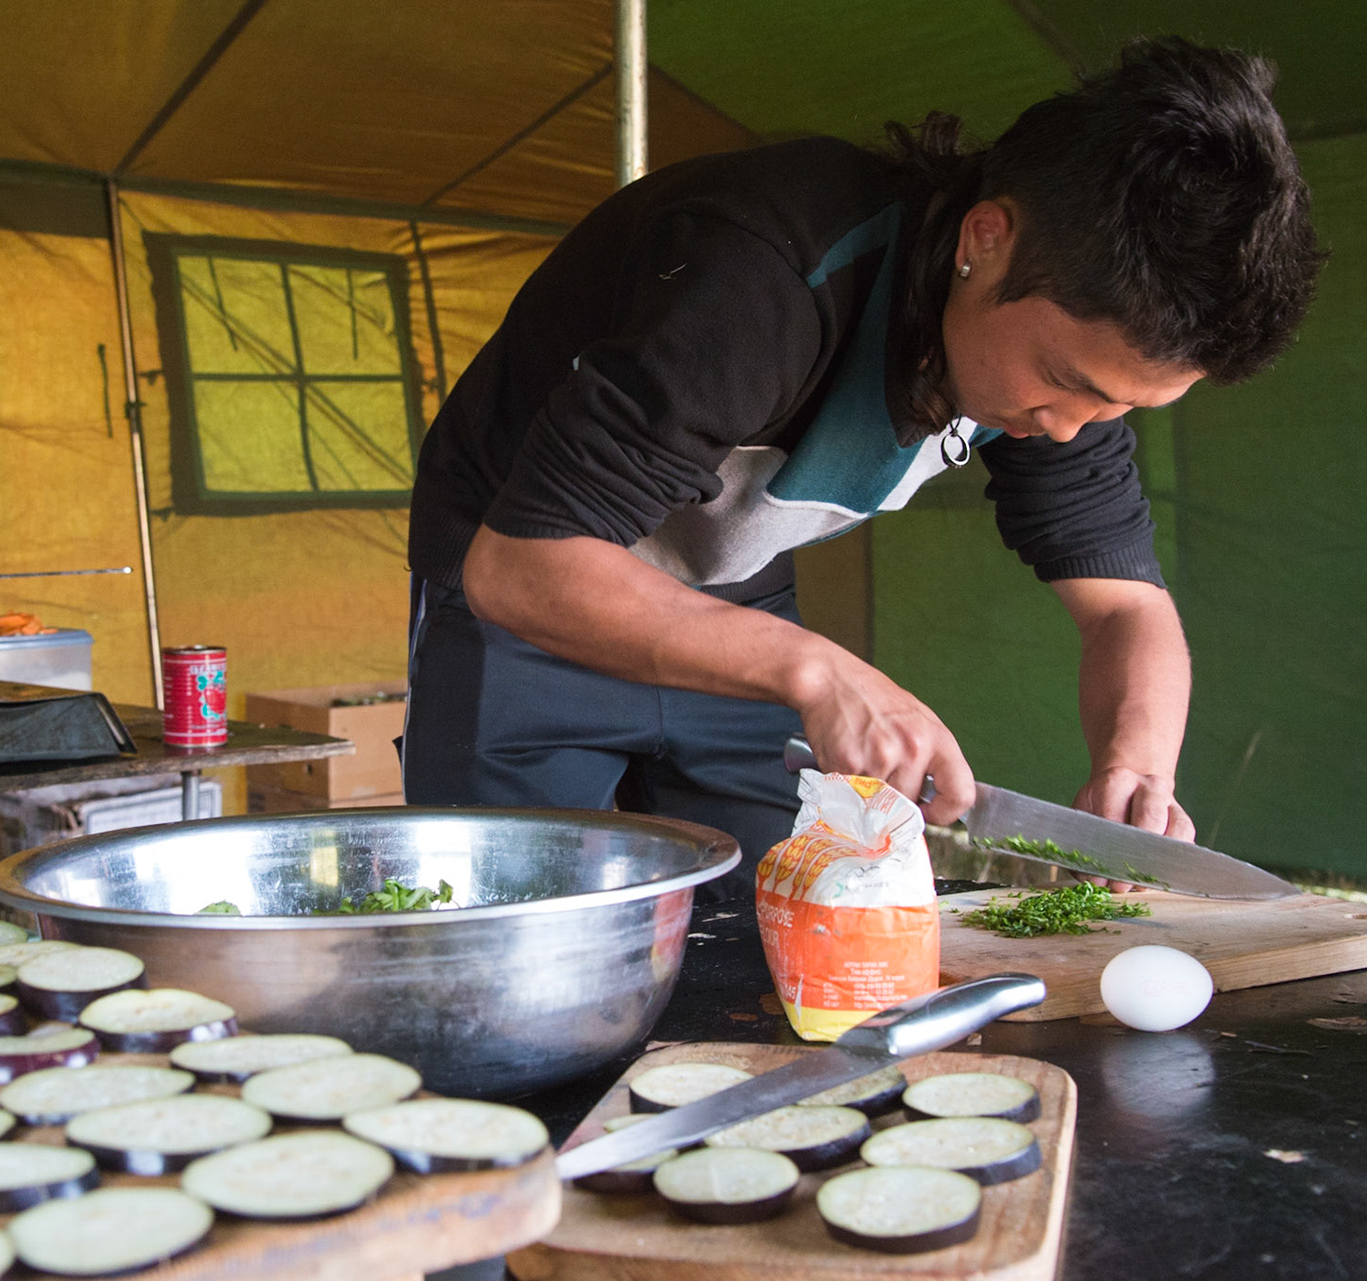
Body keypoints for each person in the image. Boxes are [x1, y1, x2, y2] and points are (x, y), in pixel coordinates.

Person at [401, 38, 1323, 894]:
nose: (1077, 431)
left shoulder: (1061, 374)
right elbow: (521, 565)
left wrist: (1138, 769)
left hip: (731, 600)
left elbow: (1125, 603)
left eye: (1122, 406)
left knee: (769, 927)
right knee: (519, 920)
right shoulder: (767, 271)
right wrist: (821, 672)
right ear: (984, 240)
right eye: (1068, 382)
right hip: (520, 594)